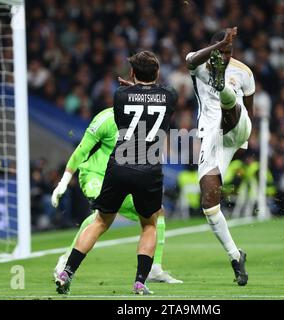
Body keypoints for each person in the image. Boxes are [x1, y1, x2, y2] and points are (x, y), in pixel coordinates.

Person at [54, 51, 178, 295]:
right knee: (150, 224)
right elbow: (155, 96)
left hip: (119, 166)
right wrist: (143, 87)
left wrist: (134, 88)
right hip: (149, 169)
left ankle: (67, 271)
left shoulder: (120, 96)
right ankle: (140, 281)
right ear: (158, 73)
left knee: (101, 220)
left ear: (132, 73)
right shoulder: (169, 96)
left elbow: (137, 104)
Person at [51, 106, 182, 284]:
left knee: (157, 211)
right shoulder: (105, 119)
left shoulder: (141, 120)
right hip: (94, 175)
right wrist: (63, 181)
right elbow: (82, 150)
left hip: (121, 178)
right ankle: (66, 261)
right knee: (102, 214)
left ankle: (154, 269)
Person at [185, 26, 254, 286]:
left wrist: (245, 140)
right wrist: (217, 46)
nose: (225, 56)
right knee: (209, 205)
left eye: (228, 52)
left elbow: (250, 108)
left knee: (230, 102)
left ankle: (222, 87)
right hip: (213, 136)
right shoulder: (199, 62)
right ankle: (236, 257)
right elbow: (190, 60)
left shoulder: (245, 72)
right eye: (222, 51)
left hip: (238, 125)